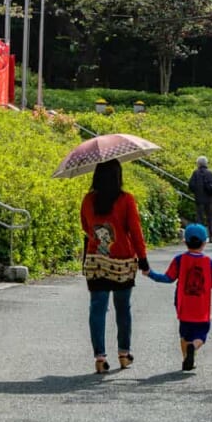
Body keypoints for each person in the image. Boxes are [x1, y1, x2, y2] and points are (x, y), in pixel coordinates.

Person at [80, 159, 149, 373]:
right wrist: (143, 259)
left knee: (97, 308)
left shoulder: (88, 200)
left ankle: (100, 358)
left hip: (96, 259)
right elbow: (135, 231)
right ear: (118, 176)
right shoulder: (126, 200)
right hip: (122, 260)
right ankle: (123, 354)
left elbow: (85, 226)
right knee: (123, 309)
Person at [143, 222, 212, 371]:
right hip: (202, 307)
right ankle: (194, 348)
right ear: (204, 242)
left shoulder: (179, 260)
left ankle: (186, 358)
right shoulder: (209, 262)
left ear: (185, 242)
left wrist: (150, 273)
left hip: (183, 306)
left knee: (184, 334)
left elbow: (168, 278)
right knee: (201, 335)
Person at [188, 156, 212, 242]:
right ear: (206, 164)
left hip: (199, 199)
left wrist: (196, 192)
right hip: (210, 200)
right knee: (210, 217)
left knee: (199, 218)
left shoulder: (195, 173)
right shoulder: (210, 173)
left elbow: (191, 185)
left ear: (198, 164)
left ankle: (200, 237)